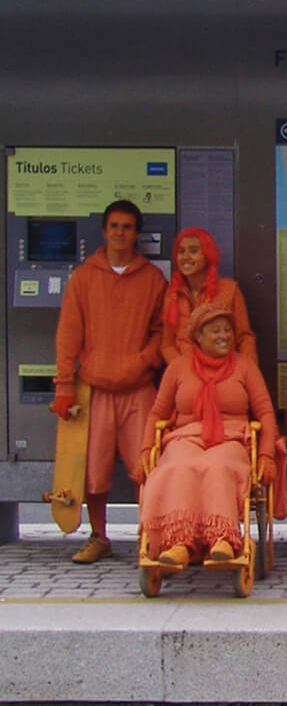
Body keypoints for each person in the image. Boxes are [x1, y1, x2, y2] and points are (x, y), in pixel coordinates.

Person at [52, 199, 166, 563]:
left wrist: (143, 361)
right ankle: (99, 535)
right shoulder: (84, 277)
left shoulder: (152, 278)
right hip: (95, 390)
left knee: (145, 466)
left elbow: (162, 331)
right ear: (104, 231)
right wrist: (63, 385)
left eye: (127, 227)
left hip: (138, 390)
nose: (120, 233)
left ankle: (149, 536)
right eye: (114, 226)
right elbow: (68, 335)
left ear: (137, 233)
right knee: (94, 471)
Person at [135, 303, 277, 570]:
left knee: (217, 466)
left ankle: (221, 538)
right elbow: (157, 413)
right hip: (186, 437)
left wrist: (267, 454)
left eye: (227, 330)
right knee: (177, 466)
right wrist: (145, 449)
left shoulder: (245, 366)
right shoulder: (178, 367)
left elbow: (266, 413)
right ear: (198, 337)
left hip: (231, 437)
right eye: (215, 331)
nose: (224, 336)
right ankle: (179, 542)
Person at [160, 226, 257, 366]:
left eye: (193, 251)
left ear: (208, 255)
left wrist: (246, 373)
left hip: (224, 374)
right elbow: (167, 345)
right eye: (181, 251)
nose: (186, 257)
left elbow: (245, 338)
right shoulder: (172, 293)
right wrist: (184, 372)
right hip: (186, 378)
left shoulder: (230, 289)